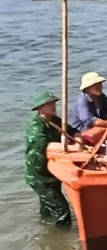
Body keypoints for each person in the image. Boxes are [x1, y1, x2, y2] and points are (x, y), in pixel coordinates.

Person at [24, 91, 82, 226]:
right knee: (62, 210)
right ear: (40, 107)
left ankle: (46, 232)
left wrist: (79, 140)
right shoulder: (36, 126)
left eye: (54, 103)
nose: (53, 106)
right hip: (40, 176)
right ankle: (63, 234)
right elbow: (46, 146)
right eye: (49, 104)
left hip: (52, 173)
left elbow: (73, 131)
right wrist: (72, 148)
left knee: (48, 208)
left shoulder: (55, 120)